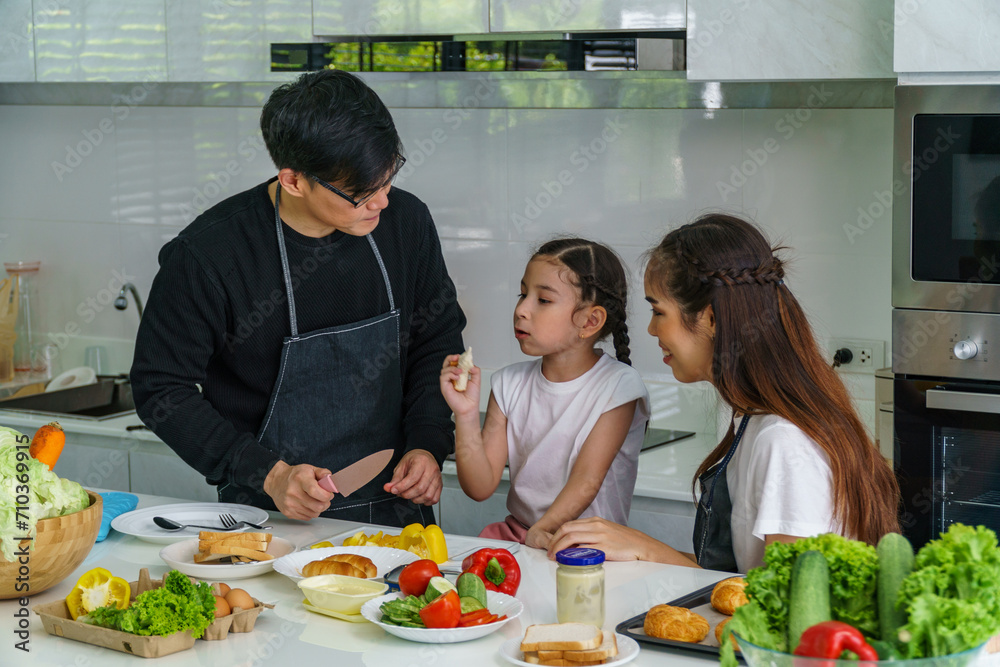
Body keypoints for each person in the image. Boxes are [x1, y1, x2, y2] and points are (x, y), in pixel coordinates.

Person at [131, 69, 466, 526]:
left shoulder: (406, 221)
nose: (382, 202)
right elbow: (160, 388)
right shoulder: (209, 255)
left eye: (388, 179)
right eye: (362, 193)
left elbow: (438, 337)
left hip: (398, 514)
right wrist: (268, 474)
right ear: (292, 180)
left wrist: (427, 441)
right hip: (265, 521)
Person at [546, 214, 900, 572]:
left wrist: (648, 549)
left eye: (658, 311)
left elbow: (788, 606)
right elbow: (739, 579)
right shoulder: (751, 418)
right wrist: (632, 547)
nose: (652, 329)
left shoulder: (783, 442)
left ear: (711, 319)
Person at [440, 238, 650, 549]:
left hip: (589, 545)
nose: (521, 309)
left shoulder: (619, 387)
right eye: (523, 294)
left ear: (590, 321)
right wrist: (466, 414)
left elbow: (587, 481)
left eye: (543, 300)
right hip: (522, 534)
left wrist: (544, 530)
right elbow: (480, 487)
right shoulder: (508, 383)